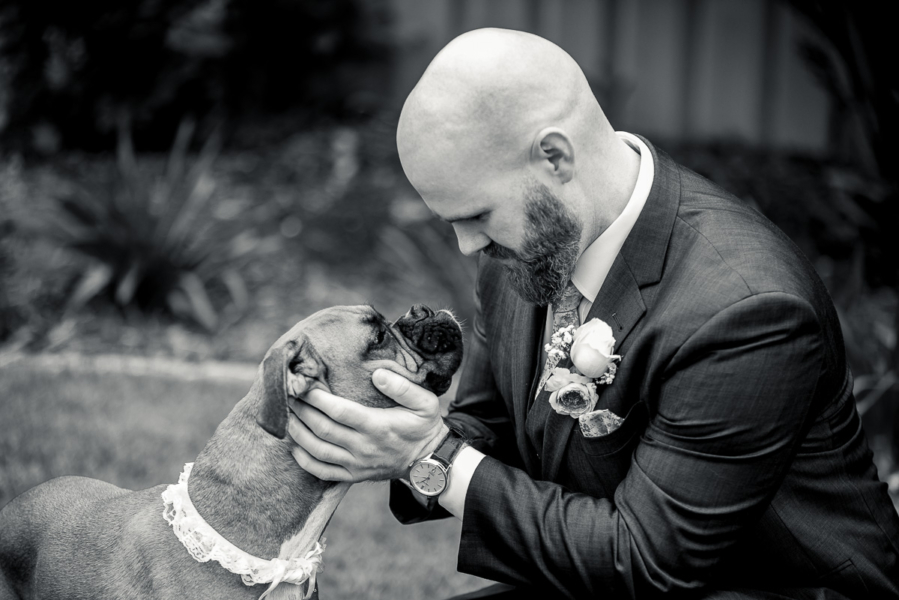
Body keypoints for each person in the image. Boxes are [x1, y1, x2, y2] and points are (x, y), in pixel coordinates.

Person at [287, 28, 899, 599]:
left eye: (475, 216)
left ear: (554, 158)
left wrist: (432, 459)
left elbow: (647, 561)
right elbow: (486, 425)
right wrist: (381, 434)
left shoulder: (747, 310)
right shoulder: (528, 246)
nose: (467, 246)